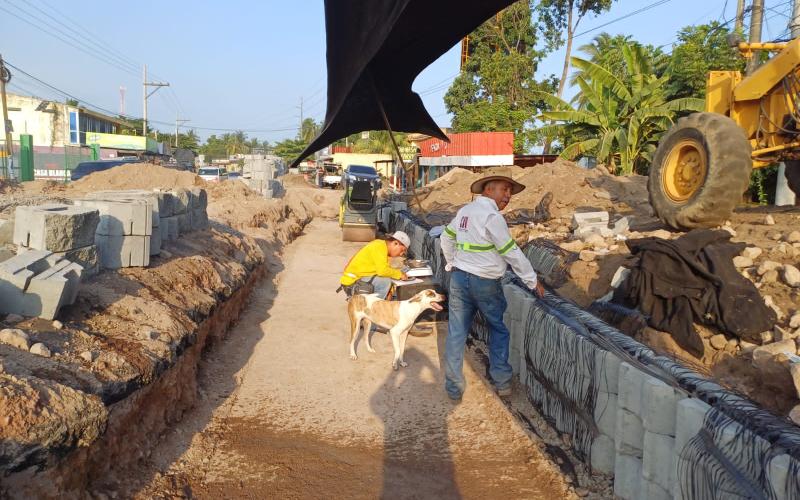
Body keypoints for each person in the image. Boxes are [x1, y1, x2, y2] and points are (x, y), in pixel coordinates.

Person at [440, 171, 544, 402]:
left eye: (509, 192)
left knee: (457, 332)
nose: (508, 196)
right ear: (488, 190)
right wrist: (532, 280)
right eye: (504, 190)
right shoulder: (492, 217)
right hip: (485, 283)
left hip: (459, 279)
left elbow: (445, 238)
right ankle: (502, 381)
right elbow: (511, 252)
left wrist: (452, 262)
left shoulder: (465, 212)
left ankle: (454, 387)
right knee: (498, 329)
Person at [340, 231, 411, 299]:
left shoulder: (382, 247)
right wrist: (399, 274)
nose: (401, 254)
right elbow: (382, 271)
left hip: (357, 279)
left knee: (389, 277)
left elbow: (385, 270)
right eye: (402, 250)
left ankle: (379, 301)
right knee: (385, 282)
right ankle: (375, 308)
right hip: (352, 283)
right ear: (395, 243)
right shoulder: (379, 246)